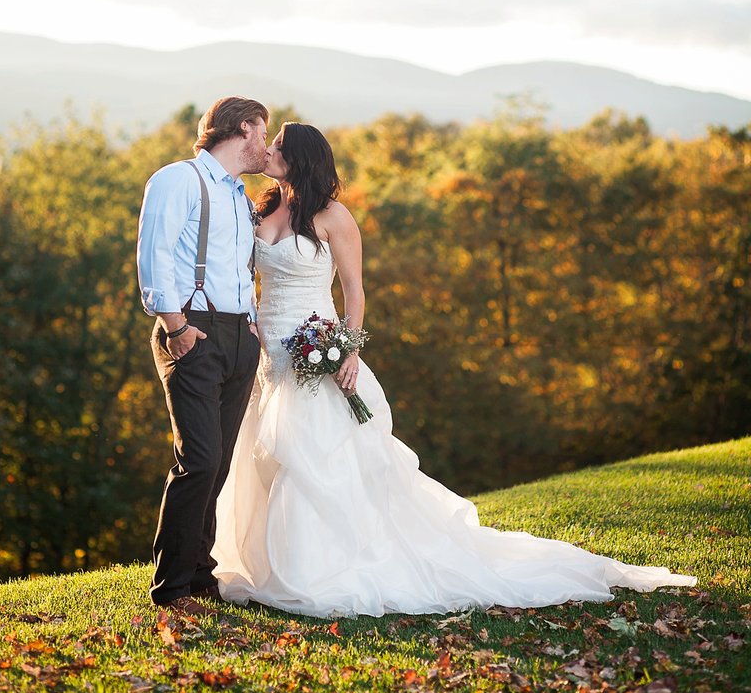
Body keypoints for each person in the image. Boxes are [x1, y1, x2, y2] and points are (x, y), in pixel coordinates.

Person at [211, 121, 695, 618]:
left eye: (277, 148)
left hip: (316, 351)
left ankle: (315, 568)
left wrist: (348, 349)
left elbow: (354, 291)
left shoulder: (334, 217)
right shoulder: (264, 207)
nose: (266, 152)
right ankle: (264, 565)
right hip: (267, 354)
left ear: (301, 159)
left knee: (309, 459)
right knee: (258, 453)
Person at [137, 95, 269, 617]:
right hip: (193, 331)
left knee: (219, 463)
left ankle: (200, 575)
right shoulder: (178, 179)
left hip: (238, 337)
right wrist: (176, 325)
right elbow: (156, 253)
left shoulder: (238, 194)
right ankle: (171, 589)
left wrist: (252, 322)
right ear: (242, 129)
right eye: (263, 132)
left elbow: (236, 268)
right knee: (200, 459)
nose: (267, 145)